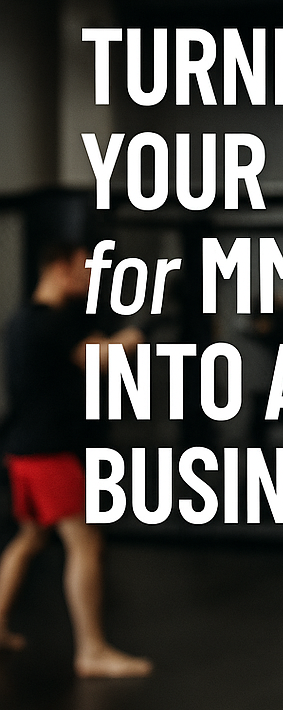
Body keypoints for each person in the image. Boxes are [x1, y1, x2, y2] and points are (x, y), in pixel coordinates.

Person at [0, 242, 152, 678]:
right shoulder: (53, 321)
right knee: (86, 545)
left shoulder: (20, 321)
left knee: (29, 540)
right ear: (59, 267)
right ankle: (92, 650)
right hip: (48, 453)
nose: (90, 278)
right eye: (85, 269)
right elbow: (102, 357)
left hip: (21, 450)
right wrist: (143, 327)